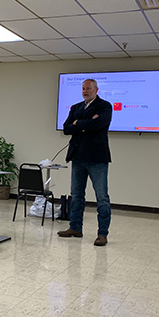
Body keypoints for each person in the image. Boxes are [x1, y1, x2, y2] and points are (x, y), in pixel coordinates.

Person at [58, 79, 112, 247]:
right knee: (76, 196)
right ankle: (75, 228)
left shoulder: (105, 106)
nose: (85, 91)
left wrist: (78, 123)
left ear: (96, 90)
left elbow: (98, 125)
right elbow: (67, 128)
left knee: (101, 197)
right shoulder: (75, 107)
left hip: (97, 158)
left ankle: (102, 234)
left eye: (88, 88)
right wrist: (84, 124)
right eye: (83, 88)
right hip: (78, 157)